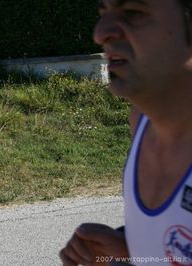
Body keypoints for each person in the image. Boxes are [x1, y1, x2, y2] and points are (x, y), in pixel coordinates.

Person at [60, 0, 192, 265]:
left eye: (133, 12)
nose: (100, 33)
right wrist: (127, 250)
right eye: (103, 12)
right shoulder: (142, 121)